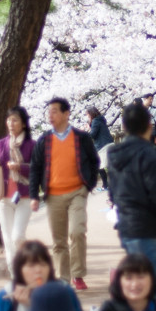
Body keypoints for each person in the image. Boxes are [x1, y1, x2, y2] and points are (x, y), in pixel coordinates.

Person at [107, 101, 156, 295]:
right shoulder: (149, 155)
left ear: (123, 127)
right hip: (153, 228)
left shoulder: (114, 155)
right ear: (149, 126)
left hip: (128, 227)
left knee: (140, 285)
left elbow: (113, 192)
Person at [29, 97, 99, 290]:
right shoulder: (44, 139)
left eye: (54, 111)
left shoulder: (80, 137)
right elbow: (35, 168)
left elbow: (94, 161)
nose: (50, 115)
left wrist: (88, 185)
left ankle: (78, 274)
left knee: (77, 231)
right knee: (58, 240)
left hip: (77, 191)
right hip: (53, 195)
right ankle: (63, 277)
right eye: (48, 112)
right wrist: (34, 195)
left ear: (66, 113)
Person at [0, 107, 36, 274]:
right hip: (3, 198)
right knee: (7, 238)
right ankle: (16, 275)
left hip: (24, 196)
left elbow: (39, 169)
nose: (11, 124)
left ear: (23, 124)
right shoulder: (1, 145)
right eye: (9, 120)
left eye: (15, 120)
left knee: (17, 236)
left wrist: (20, 168)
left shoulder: (32, 145)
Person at [86, 106, 112, 189]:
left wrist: (87, 131)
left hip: (102, 146)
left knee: (100, 166)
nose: (87, 116)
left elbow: (93, 135)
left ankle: (106, 185)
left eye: (87, 115)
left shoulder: (95, 121)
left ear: (90, 114)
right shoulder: (101, 119)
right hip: (109, 143)